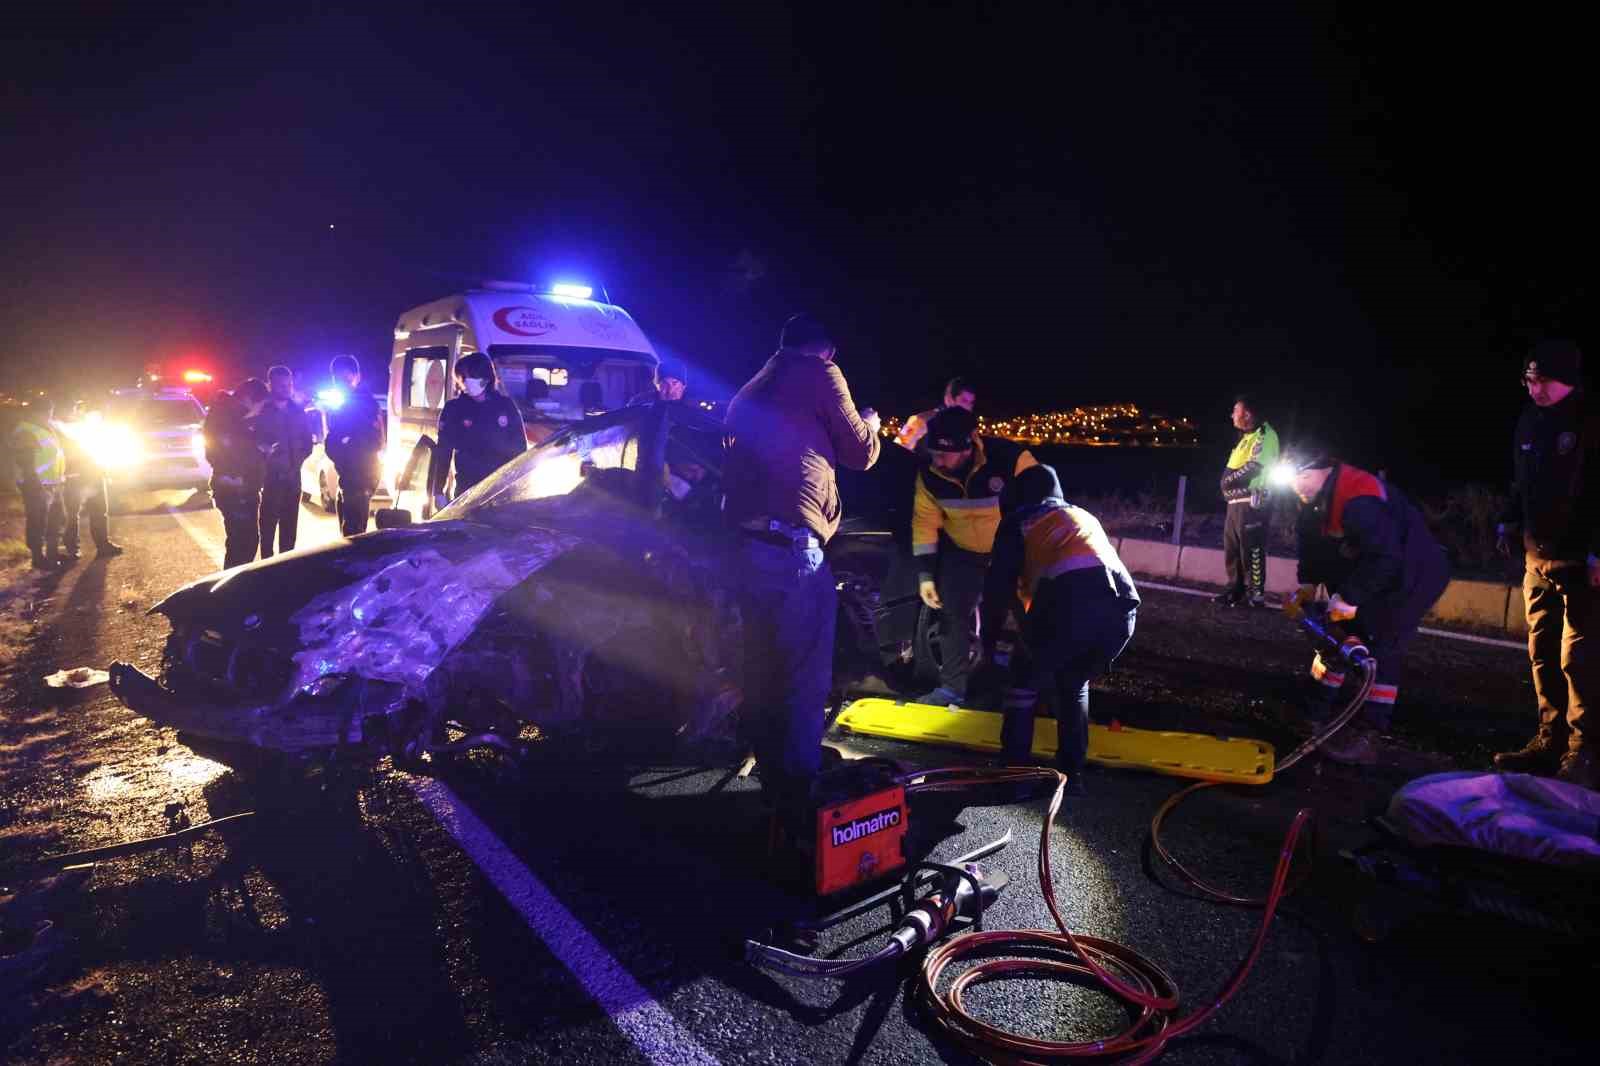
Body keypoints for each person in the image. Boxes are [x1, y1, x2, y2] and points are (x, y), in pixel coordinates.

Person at [723, 313, 881, 824]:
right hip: (793, 544)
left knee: (764, 664)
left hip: (746, 545)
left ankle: (773, 770)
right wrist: (873, 427)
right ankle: (797, 790)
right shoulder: (820, 374)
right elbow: (859, 453)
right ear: (826, 352)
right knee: (805, 671)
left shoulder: (754, 384)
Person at [974, 464, 1139, 793]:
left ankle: (1014, 777)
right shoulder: (1080, 516)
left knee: (1022, 678)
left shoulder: (1018, 521)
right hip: (1121, 614)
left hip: (1069, 607)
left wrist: (987, 649)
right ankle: (1071, 776)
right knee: (1074, 682)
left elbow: (996, 593)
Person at [1286, 454, 1449, 765]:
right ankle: (1312, 712)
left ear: (1325, 470)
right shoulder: (1313, 501)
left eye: (1303, 476)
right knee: (1335, 637)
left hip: (1411, 575)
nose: (1298, 485)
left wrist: (1349, 597)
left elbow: (1386, 558)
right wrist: (1308, 583)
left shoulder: (1359, 497)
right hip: (1370, 571)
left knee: (1380, 645)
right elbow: (1311, 545)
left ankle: (1371, 733)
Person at [1492, 339, 1599, 789]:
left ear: (1567, 379)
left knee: (1580, 658)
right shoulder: (1529, 422)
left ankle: (1583, 752)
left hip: (1580, 561)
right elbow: (1520, 481)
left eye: (1542, 381)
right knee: (1542, 652)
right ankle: (1548, 740)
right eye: (1528, 380)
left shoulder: (1590, 420)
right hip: (1538, 558)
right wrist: (1508, 522)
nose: (1533, 388)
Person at [910, 405, 1037, 706]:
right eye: (934, 453)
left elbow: (1043, 503)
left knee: (1033, 620)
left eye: (944, 454)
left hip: (1013, 553)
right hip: (964, 553)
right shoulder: (929, 474)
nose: (937, 460)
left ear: (967, 447)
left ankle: (1035, 689)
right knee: (952, 618)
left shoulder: (1011, 459)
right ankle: (952, 689)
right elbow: (925, 523)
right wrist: (926, 576)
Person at [430, 351, 526, 508]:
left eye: (469, 377)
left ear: (485, 378)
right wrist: (438, 490)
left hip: (501, 490)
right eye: (463, 377)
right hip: (467, 489)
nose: (466, 382)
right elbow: (443, 451)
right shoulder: (454, 408)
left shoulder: (505, 406)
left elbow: (520, 449)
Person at [1216, 394, 1279, 607]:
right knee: (1232, 548)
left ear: (1248, 414)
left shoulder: (1265, 435)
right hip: (1235, 503)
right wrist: (1227, 484)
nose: (1232, 415)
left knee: (1251, 548)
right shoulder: (1245, 438)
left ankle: (1256, 595)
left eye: (1236, 411)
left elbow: (1255, 466)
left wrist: (1227, 482)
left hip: (1252, 502)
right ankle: (1235, 590)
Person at [203, 378, 269, 568]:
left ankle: (236, 586)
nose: (260, 410)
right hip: (233, 488)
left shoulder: (236, 416)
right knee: (241, 543)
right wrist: (236, 474)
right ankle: (231, 589)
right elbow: (219, 451)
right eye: (260, 405)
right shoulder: (225, 416)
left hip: (245, 486)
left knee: (246, 541)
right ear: (248, 399)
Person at [254, 366, 314, 558]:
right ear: (270, 385)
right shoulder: (262, 411)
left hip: (293, 478)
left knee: (289, 528)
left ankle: (287, 566)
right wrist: (265, 454)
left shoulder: (298, 411)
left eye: (289, 384)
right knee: (268, 527)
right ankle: (266, 567)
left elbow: (307, 442)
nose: (286, 388)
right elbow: (251, 440)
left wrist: (297, 462)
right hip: (270, 479)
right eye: (281, 385)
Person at [323, 355, 385, 536]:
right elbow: (333, 439)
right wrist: (341, 444)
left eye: (346, 377)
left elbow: (373, 442)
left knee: (354, 534)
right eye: (337, 378)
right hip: (346, 475)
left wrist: (346, 443)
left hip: (361, 476)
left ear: (357, 376)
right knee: (347, 531)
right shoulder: (338, 404)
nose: (342, 382)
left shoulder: (366, 404)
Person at [59, 400, 121, 560]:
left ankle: (102, 545)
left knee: (99, 511)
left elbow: (100, 449)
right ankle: (72, 548)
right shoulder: (64, 428)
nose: (78, 411)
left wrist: (104, 470)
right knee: (72, 514)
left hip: (93, 474)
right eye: (76, 407)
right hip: (75, 476)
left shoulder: (90, 428)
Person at [10, 396, 67, 570]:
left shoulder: (45, 429)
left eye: (50, 412)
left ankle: (52, 554)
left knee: (55, 519)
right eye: (47, 412)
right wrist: (36, 485)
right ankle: (38, 558)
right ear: (36, 412)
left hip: (52, 484)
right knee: (37, 521)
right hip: (36, 485)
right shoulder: (26, 431)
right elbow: (25, 462)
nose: (49, 415)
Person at [895, 376, 976, 451]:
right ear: (949, 399)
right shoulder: (920, 420)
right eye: (964, 401)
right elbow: (898, 452)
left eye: (971, 403)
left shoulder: (968, 429)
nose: (968, 407)